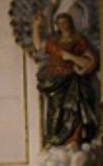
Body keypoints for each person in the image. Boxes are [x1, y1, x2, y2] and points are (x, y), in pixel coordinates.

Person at [32, 13, 99, 147]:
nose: (63, 25)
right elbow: (39, 45)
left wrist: (71, 57)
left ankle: (74, 138)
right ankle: (54, 140)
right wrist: (36, 26)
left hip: (71, 81)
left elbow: (91, 61)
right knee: (54, 112)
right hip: (54, 82)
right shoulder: (54, 42)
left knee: (73, 110)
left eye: (65, 22)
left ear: (70, 23)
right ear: (57, 26)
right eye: (60, 23)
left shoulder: (78, 40)